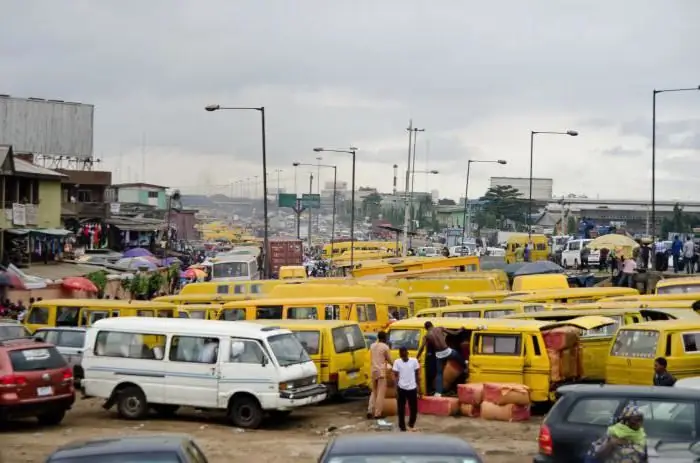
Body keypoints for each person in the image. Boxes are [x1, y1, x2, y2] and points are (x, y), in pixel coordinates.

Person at [416, 321, 464, 396]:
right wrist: (460, 330)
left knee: (439, 373)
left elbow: (422, 348)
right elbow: (454, 333)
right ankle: (465, 365)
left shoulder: (426, 336)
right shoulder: (439, 328)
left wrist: (417, 357)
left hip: (439, 355)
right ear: (432, 325)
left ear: (426, 328)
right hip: (447, 351)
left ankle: (438, 393)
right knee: (457, 355)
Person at [392, 347, 420, 432]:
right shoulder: (397, 362)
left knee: (414, 408)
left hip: (412, 388)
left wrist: (418, 386)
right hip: (401, 388)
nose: (402, 355)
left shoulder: (414, 361)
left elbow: (417, 374)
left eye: (403, 353)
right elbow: (395, 376)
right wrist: (395, 388)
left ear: (407, 353)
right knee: (401, 409)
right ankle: (402, 427)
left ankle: (411, 424)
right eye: (401, 354)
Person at [367, 331, 392, 419]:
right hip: (381, 372)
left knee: (374, 392)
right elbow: (389, 359)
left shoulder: (372, 345)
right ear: (384, 338)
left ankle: (370, 410)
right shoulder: (385, 347)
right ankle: (378, 414)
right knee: (380, 393)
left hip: (373, 371)